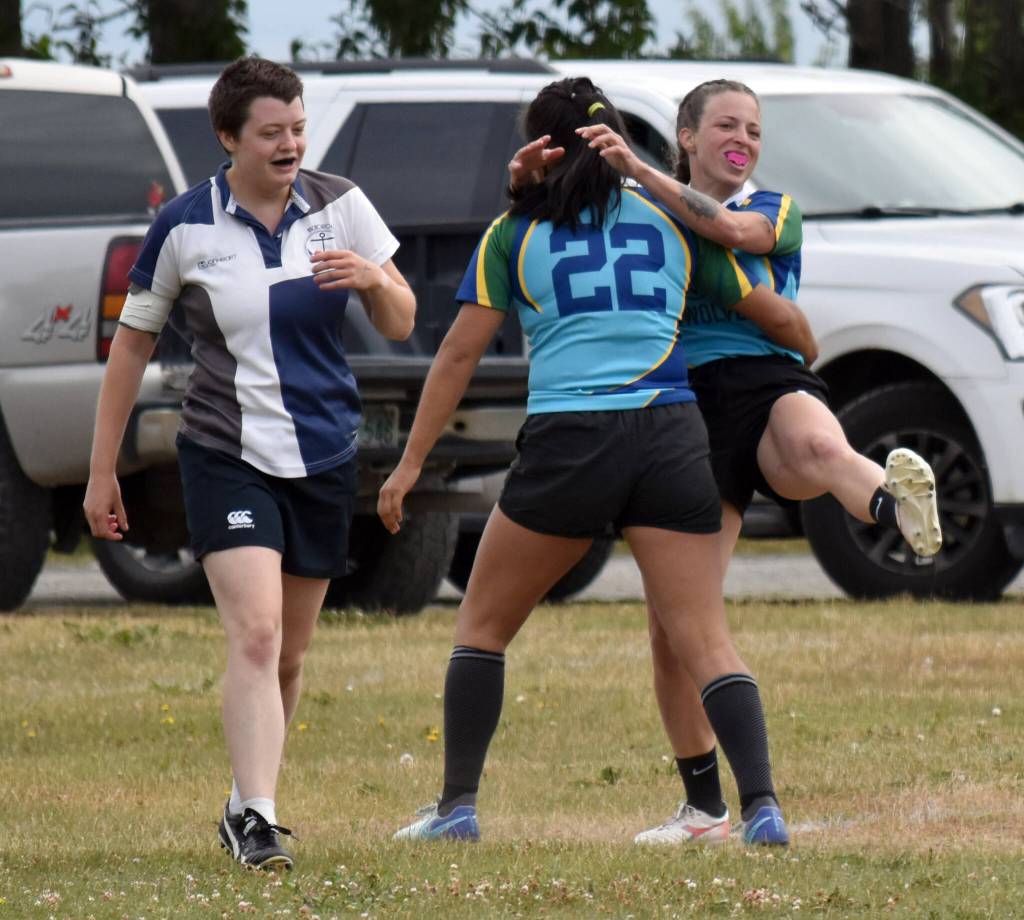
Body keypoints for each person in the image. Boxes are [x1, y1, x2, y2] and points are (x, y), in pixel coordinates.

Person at [379, 76, 816, 848]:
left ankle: (456, 809)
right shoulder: (674, 221)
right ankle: (763, 808)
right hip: (673, 437)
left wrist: (411, 463)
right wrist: (803, 345)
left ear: (539, 150)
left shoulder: (513, 232)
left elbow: (456, 357)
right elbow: (770, 312)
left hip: (570, 440)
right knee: (705, 641)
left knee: (480, 627)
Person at [563, 79, 942, 844]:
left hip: (764, 380)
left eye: (755, 131)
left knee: (820, 445)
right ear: (689, 135)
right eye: (728, 126)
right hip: (681, 405)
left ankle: (896, 504)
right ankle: (704, 808)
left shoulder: (773, 207)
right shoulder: (643, 218)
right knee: (675, 627)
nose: (744, 141)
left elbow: (736, 241)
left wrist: (639, 170)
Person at [83, 57, 415, 870]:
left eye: (298, 127)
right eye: (272, 132)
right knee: (258, 635)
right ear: (228, 137)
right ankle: (262, 819)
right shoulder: (186, 226)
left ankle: (240, 804)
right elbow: (131, 348)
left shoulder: (342, 205)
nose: (290, 143)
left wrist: (374, 278)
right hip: (225, 451)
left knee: (291, 655)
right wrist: (102, 472)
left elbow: (404, 321)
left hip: (324, 452)